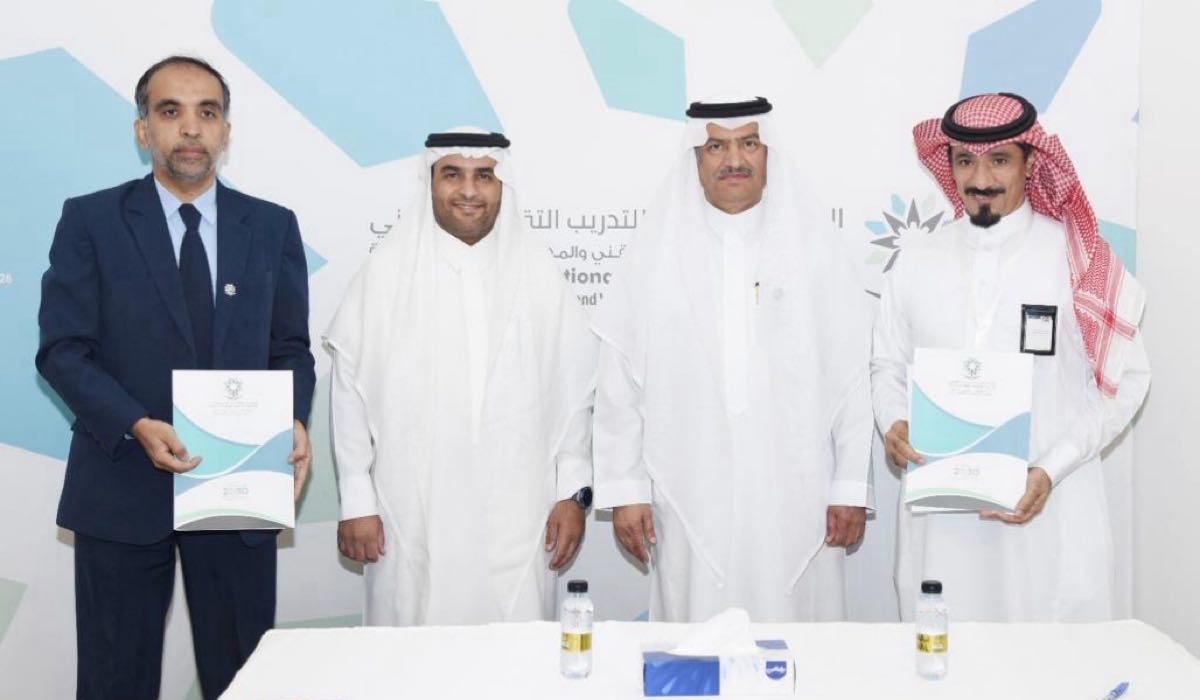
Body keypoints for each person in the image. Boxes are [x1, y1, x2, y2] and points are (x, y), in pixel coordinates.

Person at [35, 55, 315, 700]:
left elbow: (290, 347)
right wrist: (134, 422)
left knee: (245, 699)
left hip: (238, 490)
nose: (190, 128)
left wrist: (292, 417)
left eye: (206, 112)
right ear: (142, 130)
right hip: (123, 490)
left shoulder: (271, 226)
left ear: (226, 130)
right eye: (170, 111)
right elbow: (63, 349)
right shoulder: (91, 221)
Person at [592, 97, 874, 622]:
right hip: (690, 489)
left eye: (749, 144)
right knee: (695, 633)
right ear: (696, 159)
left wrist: (851, 486)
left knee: (800, 638)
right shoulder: (655, 254)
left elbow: (853, 379)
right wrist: (626, 489)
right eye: (716, 147)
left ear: (769, 154)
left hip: (800, 493)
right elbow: (619, 381)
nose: (734, 160)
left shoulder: (815, 249)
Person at [872, 92, 1151, 621]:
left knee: (1047, 663)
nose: (980, 178)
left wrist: (1050, 468)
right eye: (964, 161)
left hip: (1049, 515)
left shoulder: (1077, 259)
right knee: (945, 658)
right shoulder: (917, 260)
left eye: (999, 160)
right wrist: (893, 420)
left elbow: (1127, 382)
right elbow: (887, 364)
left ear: (1030, 163)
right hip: (942, 526)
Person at [325, 129, 596, 625]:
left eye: (484, 176)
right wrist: (357, 500)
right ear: (429, 182)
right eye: (453, 174)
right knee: (413, 648)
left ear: (502, 185)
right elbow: (349, 394)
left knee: (513, 653)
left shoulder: (538, 275)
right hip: (411, 511)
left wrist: (572, 495)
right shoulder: (386, 274)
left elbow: (575, 393)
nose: (469, 191)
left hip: (518, 512)